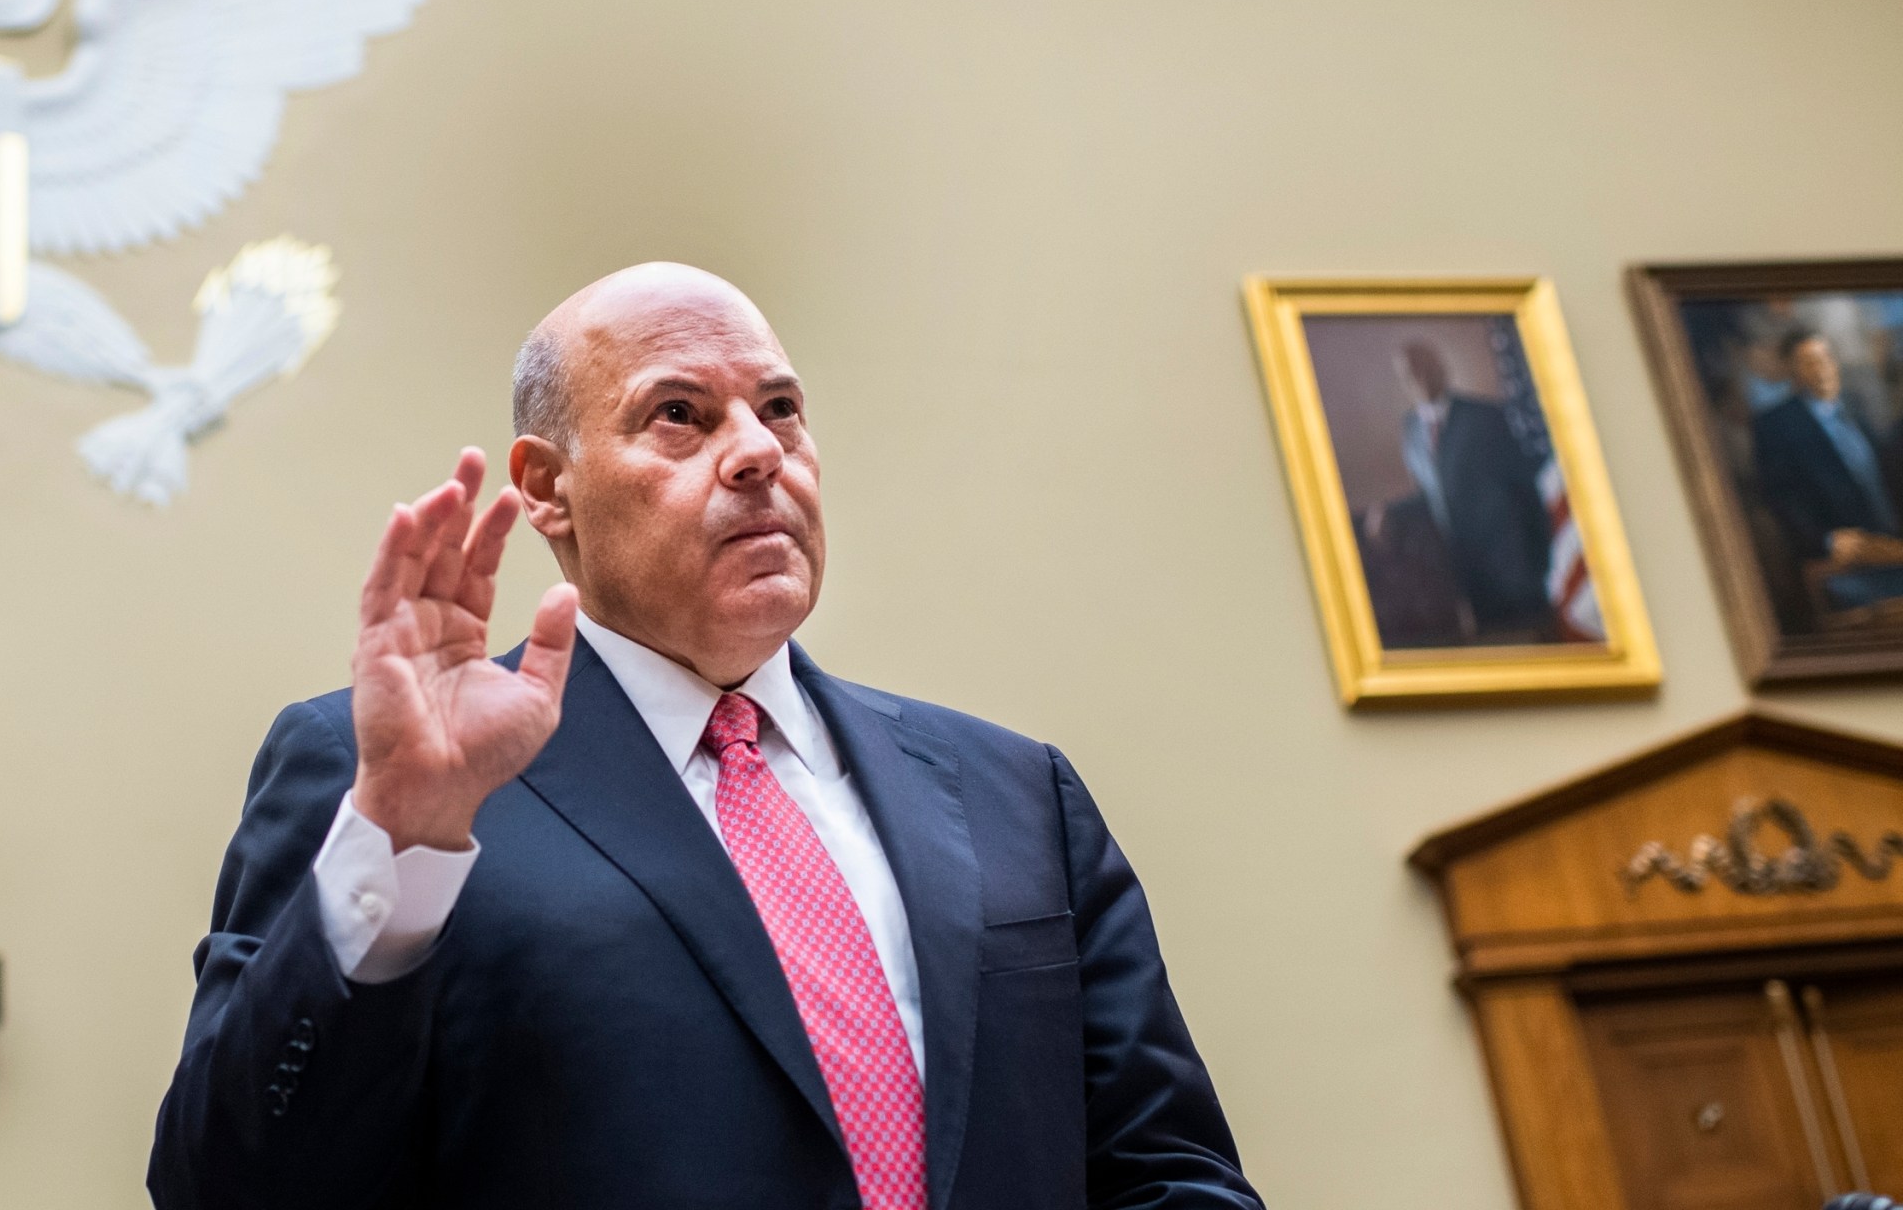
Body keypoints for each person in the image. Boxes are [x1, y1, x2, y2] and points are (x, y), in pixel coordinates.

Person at [148, 264, 1260, 1210]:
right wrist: (402, 844)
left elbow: (1166, 1171)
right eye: (678, 413)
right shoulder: (392, 776)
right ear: (547, 488)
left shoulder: (1015, 789)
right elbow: (231, 1187)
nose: (757, 453)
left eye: (780, 410)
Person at [1392, 340, 1557, 640]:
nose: (1420, 378)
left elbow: (1526, 491)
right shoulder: (1411, 430)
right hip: (1465, 578)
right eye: (1410, 373)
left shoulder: (1486, 417)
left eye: (1426, 367)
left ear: (1442, 369)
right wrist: (1388, 515)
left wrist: (1540, 563)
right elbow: (1430, 494)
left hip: (1513, 570)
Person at [1752, 330, 1903, 612]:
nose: (1821, 369)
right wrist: (1826, 541)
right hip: (1842, 561)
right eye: (1809, 362)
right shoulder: (1777, 425)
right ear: (1792, 371)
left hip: (1889, 544)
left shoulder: (1855, 408)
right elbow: (1782, 497)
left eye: (1825, 358)